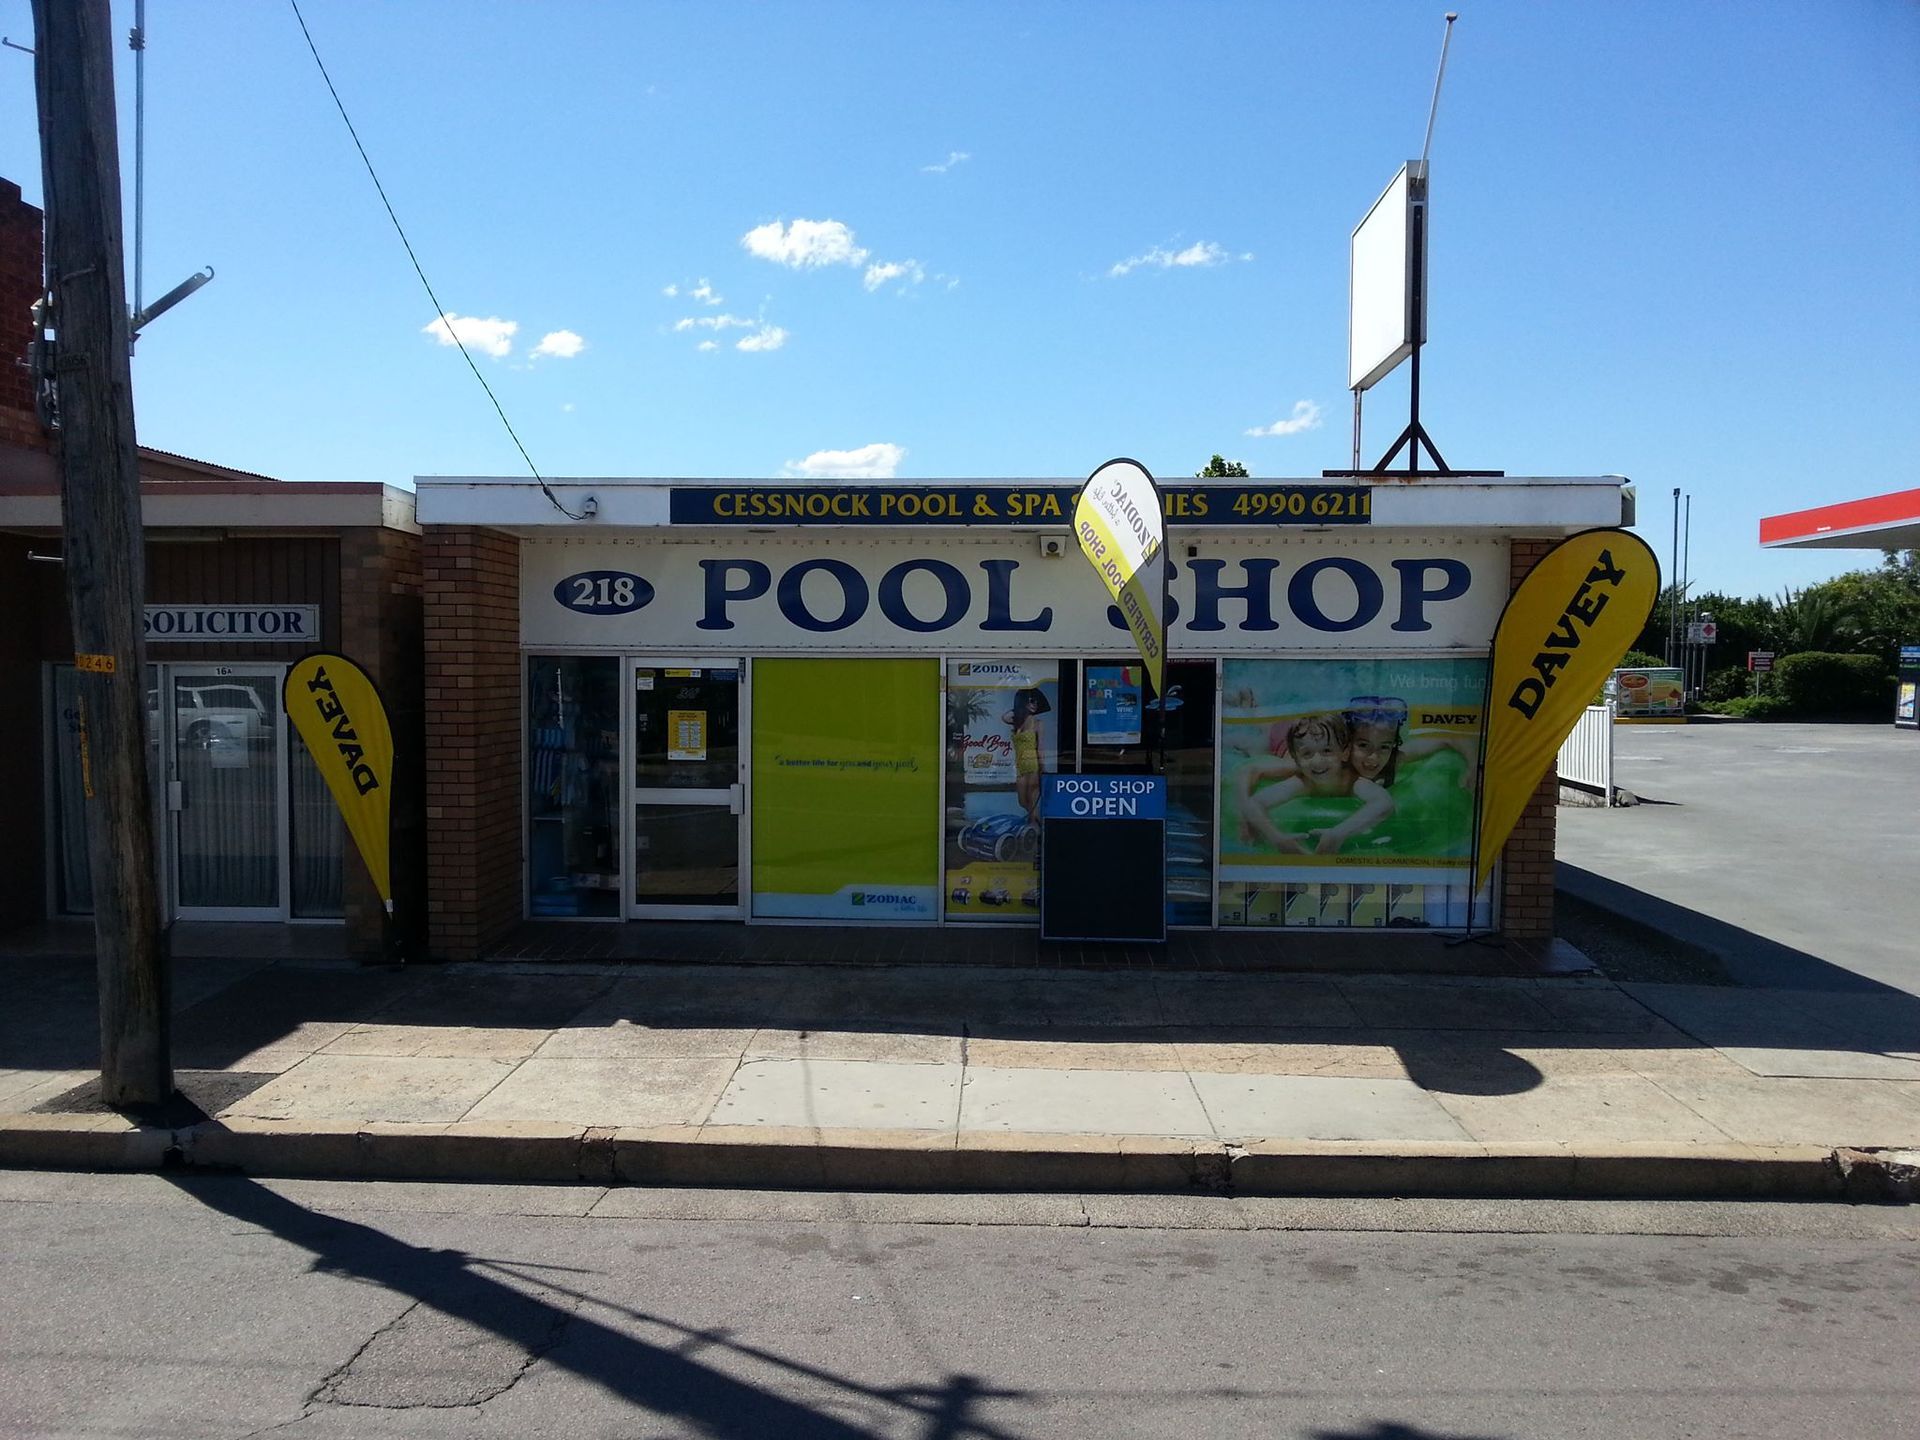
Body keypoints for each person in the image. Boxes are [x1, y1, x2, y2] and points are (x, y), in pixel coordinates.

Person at [1235, 712, 1393, 855]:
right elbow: (1254, 802)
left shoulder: (1351, 781)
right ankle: (1250, 711)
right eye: (1308, 754)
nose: (1317, 762)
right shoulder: (1301, 781)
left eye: (1327, 751)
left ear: (1345, 753)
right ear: (1297, 759)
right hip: (1281, 739)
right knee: (1262, 736)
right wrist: (1277, 839)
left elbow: (1384, 803)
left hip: (1306, 736)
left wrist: (1337, 834)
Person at [1004, 686, 1051, 821]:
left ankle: (1036, 831)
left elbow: (1040, 748)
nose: (1035, 704)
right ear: (1023, 702)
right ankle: (1036, 827)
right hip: (1020, 767)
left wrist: (1043, 770)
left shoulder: (1038, 723)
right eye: (1031, 701)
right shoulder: (1017, 722)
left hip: (1033, 766)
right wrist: (1019, 707)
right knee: (1023, 802)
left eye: (1036, 702)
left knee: (1032, 802)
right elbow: (1004, 717)